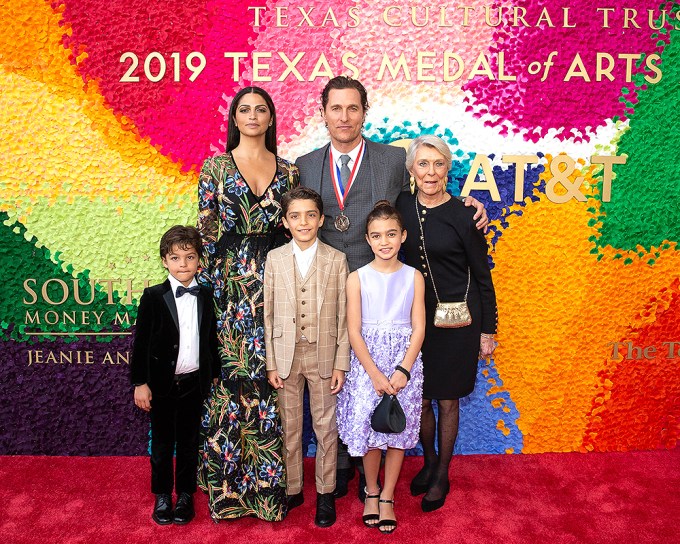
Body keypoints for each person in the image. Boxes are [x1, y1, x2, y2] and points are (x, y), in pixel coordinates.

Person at [296, 75, 489, 500]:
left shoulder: (391, 160)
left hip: (385, 294)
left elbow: (421, 203)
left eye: (353, 108)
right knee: (337, 371)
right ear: (323, 113)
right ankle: (345, 459)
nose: (344, 117)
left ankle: (379, 462)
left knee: (381, 375)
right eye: (336, 108)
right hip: (330, 287)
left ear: (365, 112)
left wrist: (467, 205)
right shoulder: (306, 165)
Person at [196, 87, 298, 521]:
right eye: (244, 110)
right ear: (234, 119)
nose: (253, 116)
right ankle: (230, 489)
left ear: (272, 119)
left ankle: (267, 490)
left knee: (271, 380)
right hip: (228, 289)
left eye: (261, 109)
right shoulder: (215, 168)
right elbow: (204, 232)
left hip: (277, 284)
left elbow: (300, 231)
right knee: (231, 380)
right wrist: (202, 297)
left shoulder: (290, 172)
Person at [396, 135, 498, 512]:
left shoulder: (464, 214)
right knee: (420, 398)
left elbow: (483, 276)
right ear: (411, 170)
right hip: (417, 321)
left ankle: (442, 474)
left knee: (448, 399)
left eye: (438, 164)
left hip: (459, 322)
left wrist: (489, 330)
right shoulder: (402, 206)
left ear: (448, 168)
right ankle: (428, 462)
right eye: (423, 164)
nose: (431, 172)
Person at [336, 201, 425, 534]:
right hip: (366, 366)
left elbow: (419, 328)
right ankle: (372, 490)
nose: (384, 241)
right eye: (376, 235)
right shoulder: (356, 278)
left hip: (405, 365)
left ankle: (388, 496)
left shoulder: (413, 277)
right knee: (371, 433)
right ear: (367, 240)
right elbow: (354, 331)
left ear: (402, 236)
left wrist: (402, 370)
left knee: (397, 432)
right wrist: (374, 374)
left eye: (391, 234)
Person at [264, 186, 350, 528]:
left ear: (321, 219)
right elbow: (268, 313)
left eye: (310, 215)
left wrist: (341, 362)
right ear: (286, 222)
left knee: (325, 427)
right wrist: (271, 361)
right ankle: (294, 487)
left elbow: (344, 315)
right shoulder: (275, 259)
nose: (304, 222)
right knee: (290, 428)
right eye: (296, 216)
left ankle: (326, 493)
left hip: (324, 355)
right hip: (285, 356)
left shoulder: (336, 259)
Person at [130, 225, 220, 526]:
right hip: (162, 384)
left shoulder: (205, 295)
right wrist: (140, 383)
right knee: (163, 444)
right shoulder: (153, 296)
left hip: (194, 382)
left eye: (190, 257)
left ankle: (184, 495)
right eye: (176, 258)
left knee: (189, 442)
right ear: (164, 261)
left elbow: (210, 339)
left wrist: (214, 375)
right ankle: (162, 496)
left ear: (199, 261)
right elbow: (141, 343)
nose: (183, 264)